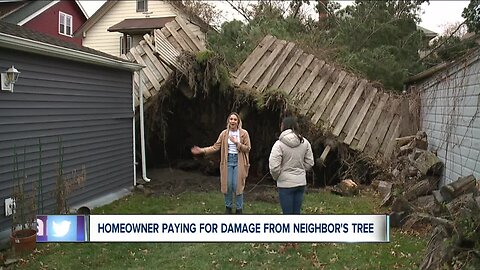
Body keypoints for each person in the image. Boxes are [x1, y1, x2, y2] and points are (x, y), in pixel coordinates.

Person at [191, 112, 251, 214]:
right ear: (228, 121)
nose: (233, 121)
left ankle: (239, 209)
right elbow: (215, 147)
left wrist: (237, 143)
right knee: (227, 185)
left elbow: (248, 148)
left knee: (237, 186)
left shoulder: (243, 133)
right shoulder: (224, 134)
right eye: (231, 119)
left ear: (238, 122)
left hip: (239, 161)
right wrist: (202, 150)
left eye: (235, 119)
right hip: (227, 161)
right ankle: (228, 207)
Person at [269, 116, 314, 214]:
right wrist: (301, 170)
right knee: (296, 213)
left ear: (283, 126)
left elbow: (274, 167)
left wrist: (278, 177)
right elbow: (310, 162)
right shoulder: (305, 142)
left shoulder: (278, 144)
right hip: (300, 182)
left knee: (287, 215)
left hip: (285, 184)